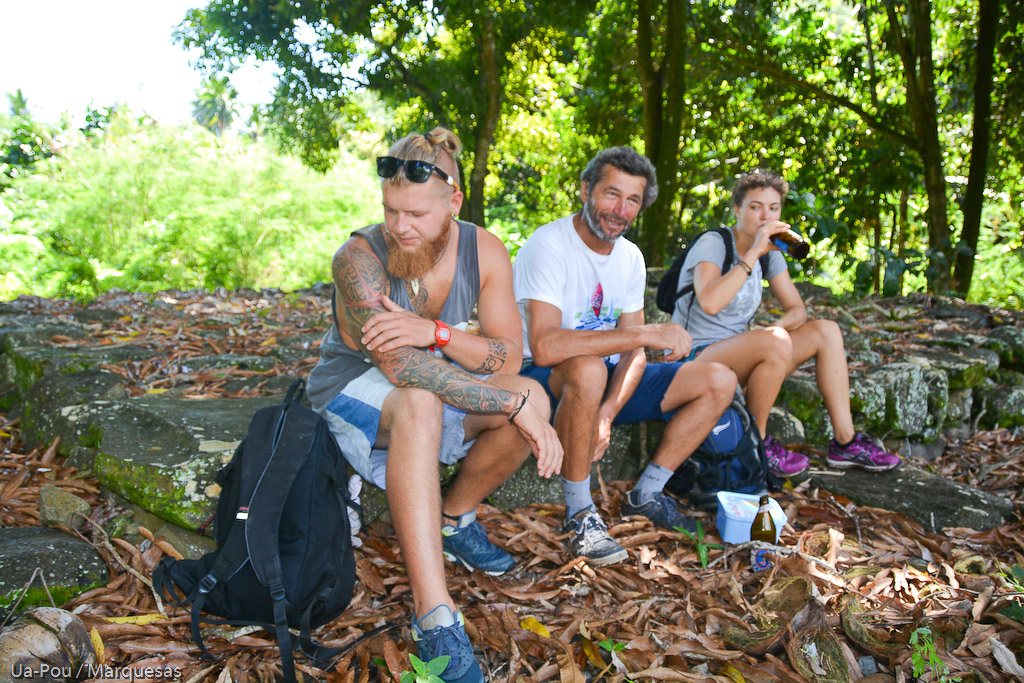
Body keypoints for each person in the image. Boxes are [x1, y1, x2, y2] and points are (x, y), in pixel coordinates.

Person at [307, 127, 563, 683]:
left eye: (417, 214)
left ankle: (454, 519)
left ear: (454, 202)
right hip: (352, 387)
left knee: (535, 395)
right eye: (391, 210)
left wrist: (438, 333)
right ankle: (434, 616)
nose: (400, 226)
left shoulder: (485, 250)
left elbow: (509, 356)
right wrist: (503, 399)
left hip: (433, 378)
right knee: (427, 402)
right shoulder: (358, 258)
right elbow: (401, 368)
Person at [513, 146, 737, 567]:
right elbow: (545, 346)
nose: (621, 210)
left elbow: (634, 351)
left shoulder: (630, 256)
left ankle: (647, 492)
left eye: (632, 200)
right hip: (544, 379)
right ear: (586, 190)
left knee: (718, 379)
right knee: (588, 368)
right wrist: (645, 333)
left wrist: (607, 414)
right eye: (611, 194)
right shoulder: (549, 245)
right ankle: (580, 513)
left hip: (602, 380)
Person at [671, 169, 901, 474]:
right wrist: (753, 254)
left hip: (738, 361)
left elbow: (797, 310)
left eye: (773, 208)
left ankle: (845, 442)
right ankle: (757, 444)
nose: (765, 216)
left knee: (826, 331)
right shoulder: (714, 243)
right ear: (737, 210)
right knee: (774, 342)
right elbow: (710, 302)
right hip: (695, 360)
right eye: (755, 207)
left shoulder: (770, 253)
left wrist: (771, 335)